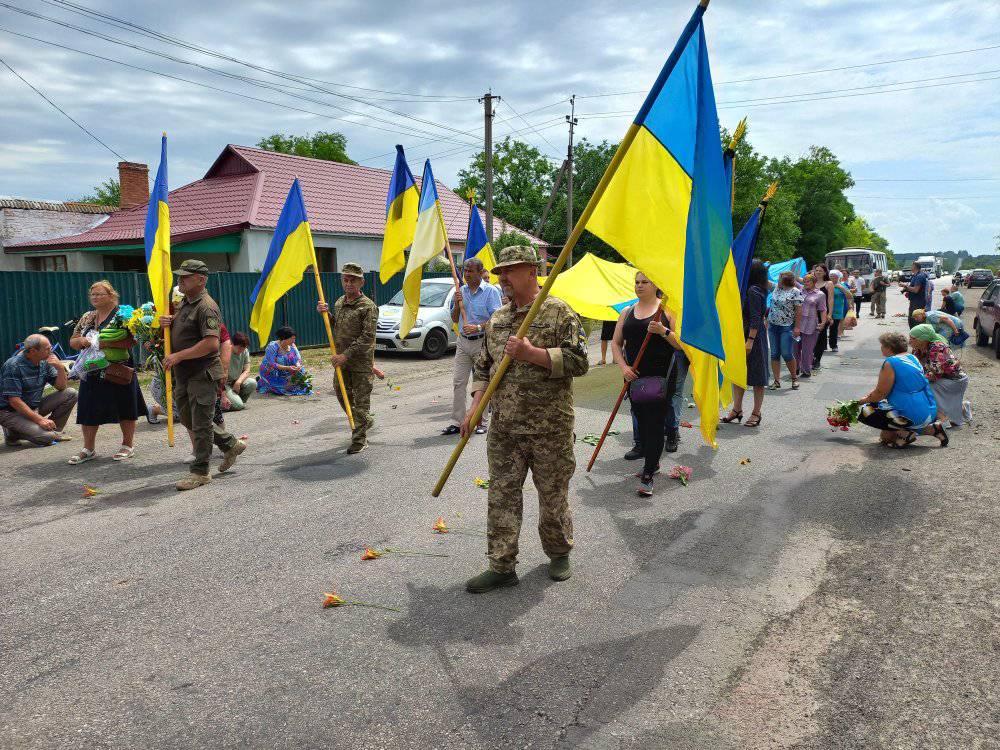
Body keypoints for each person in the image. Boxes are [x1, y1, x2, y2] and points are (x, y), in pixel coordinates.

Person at [461, 246, 588, 593]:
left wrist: (534, 354)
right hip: (504, 429)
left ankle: (559, 553)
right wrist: (474, 409)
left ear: (532, 271)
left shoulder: (558, 312)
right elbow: (483, 368)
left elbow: (580, 361)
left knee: (552, 496)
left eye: (510, 271)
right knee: (501, 496)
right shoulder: (498, 320)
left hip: (550, 428)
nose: (502, 278)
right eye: (500, 271)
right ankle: (501, 565)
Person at [160, 259, 246, 491]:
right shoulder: (186, 304)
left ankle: (200, 472)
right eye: (180, 276)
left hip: (202, 373)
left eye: (186, 277)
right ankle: (230, 444)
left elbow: (210, 344)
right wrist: (167, 322)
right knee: (190, 419)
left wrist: (178, 356)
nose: (180, 280)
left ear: (201, 279)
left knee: (199, 423)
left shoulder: (206, 306)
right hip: (184, 373)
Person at [611, 271, 681, 496]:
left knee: (654, 424)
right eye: (637, 282)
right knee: (641, 421)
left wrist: (663, 331)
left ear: (655, 284)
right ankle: (654, 462)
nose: (639, 286)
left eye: (644, 282)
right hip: (634, 376)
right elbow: (616, 343)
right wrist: (624, 367)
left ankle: (649, 473)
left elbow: (681, 345)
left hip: (661, 377)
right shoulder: (627, 312)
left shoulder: (668, 311)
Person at [66, 280, 146, 464]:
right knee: (88, 407)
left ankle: (127, 445)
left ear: (111, 295)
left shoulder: (124, 315)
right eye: (92, 294)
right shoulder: (88, 316)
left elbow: (132, 341)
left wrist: (103, 343)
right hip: (91, 368)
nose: (95, 297)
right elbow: (73, 340)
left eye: (100, 294)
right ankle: (88, 449)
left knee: (125, 405)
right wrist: (83, 342)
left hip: (118, 367)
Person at [317, 262, 378, 454]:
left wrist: (346, 355)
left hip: (360, 362)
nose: (349, 283)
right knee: (341, 394)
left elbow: (367, 337)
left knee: (360, 402)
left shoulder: (368, 307)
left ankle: (359, 440)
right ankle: (365, 420)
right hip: (341, 362)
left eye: (353, 280)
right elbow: (336, 328)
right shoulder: (339, 303)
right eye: (346, 279)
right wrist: (326, 315)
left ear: (362, 282)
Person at [443, 258, 502, 435]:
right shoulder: (461, 291)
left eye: (470, 271)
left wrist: (477, 326)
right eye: (465, 270)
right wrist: (456, 302)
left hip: (481, 342)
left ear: (480, 272)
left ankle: (481, 421)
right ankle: (457, 421)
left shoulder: (491, 292)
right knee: (459, 382)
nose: (466, 274)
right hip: (463, 343)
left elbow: (497, 320)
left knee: (480, 383)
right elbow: (455, 318)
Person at [857, 331, 947, 448]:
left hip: (911, 412)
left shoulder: (891, 362)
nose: (881, 348)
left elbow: (880, 394)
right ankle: (931, 429)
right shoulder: (912, 357)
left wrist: (861, 401)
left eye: (882, 345)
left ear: (889, 347)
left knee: (866, 409)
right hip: (929, 409)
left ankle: (905, 433)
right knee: (886, 437)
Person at [0, 334, 76, 447]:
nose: (51, 351)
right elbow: (14, 401)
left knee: (71, 394)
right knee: (47, 438)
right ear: (33, 351)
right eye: (47, 349)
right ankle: (13, 433)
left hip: (32, 407)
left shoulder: (44, 362)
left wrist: (60, 368)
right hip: (10, 412)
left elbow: (61, 387)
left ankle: (55, 430)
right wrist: (40, 420)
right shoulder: (13, 366)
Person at [723, 260, 769, 427]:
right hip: (742, 334)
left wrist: (750, 340)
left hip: (752, 336)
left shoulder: (753, 290)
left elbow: (756, 317)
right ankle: (737, 410)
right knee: (739, 373)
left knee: (757, 376)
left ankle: (756, 412)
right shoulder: (749, 289)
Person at [909, 324, 970, 428]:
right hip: (943, 378)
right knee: (918, 385)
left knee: (925, 387)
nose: (909, 341)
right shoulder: (918, 349)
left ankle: (942, 419)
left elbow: (935, 373)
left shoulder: (937, 348)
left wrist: (916, 380)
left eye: (913, 338)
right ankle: (962, 408)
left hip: (955, 380)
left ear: (923, 339)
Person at [767, 271, 804, 390]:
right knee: (774, 354)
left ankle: (794, 378)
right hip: (773, 326)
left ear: (785, 280)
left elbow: (799, 311)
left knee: (787, 353)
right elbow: (764, 280)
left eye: (780, 278)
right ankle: (776, 381)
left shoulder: (796, 292)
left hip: (786, 327)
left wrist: (797, 327)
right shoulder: (776, 288)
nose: (777, 280)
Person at [257, 326, 311, 396]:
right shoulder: (272, 346)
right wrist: (288, 368)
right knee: (281, 389)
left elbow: (297, 359)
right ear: (284, 338)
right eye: (292, 339)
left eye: (294, 338)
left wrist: (298, 366)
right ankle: (263, 382)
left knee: (303, 383)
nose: (294, 341)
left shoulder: (292, 346)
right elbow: (273, 364)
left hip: (286, 371)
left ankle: (286, 381)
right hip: (272, 373)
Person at [795, 273, 828, 379]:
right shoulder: (799, 290)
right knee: (795, 347)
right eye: (804, 281)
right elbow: (793, 278)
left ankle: (806, 370)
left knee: (807, 349)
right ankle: (795, 367)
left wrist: (823, 322)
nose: (805, 283)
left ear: (814, 282)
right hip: (797, 323)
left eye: (808, 281)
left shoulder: (820, 294)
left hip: (810, 324)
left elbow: (823, 309)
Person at [811, 264, 835, 372]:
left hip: (823, 314)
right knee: (810, 336)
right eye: (816, 270)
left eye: (820, 270)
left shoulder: (828, 283)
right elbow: (797, 278)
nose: (818, 272)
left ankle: (817, 360)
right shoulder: (811, 282)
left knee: (820, 337)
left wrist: (830, 314)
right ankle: (810, 357)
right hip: (810, 314)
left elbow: (830, 299)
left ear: (825, 272)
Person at [224, 331, 256, 410]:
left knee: (252, 383)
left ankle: (236, 401)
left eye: (244, 348)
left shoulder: (245, 351)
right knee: (238, 406)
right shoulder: (225, 351)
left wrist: (238, 382)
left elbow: (247, 370)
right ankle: (231, 402)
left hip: (236, 381)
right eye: (239, 348)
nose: (241, 350)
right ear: (232, 344)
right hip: (225, 384)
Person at [828, 270, 853, 353]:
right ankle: (822, 345)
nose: (832, 277)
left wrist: (841, 288)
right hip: (826, 309)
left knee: (833, 328)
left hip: (837, 310)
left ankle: (833, 345)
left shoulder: (842, 285)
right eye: (831, 275)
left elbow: (850, 296)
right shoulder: (826, 284)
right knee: (823, 328)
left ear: (838, 277)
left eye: (834, 275)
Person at [900, 261, 929, 329]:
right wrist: (906, 289)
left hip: (918, 302)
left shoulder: (920, 276)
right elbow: (912, 287)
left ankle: (916, 337)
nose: (911, 267)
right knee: (912, 320)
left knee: (915, 321)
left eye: (911, 266)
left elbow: (916, 290)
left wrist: (905, 286)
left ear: (914, 267)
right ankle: (914, 337)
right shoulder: (915, 276)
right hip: (914, 301)